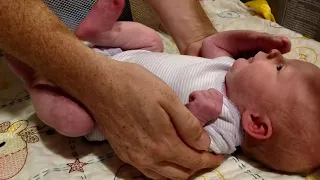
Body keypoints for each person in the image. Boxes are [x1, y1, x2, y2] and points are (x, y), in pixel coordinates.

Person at [0, 0, 294, 179]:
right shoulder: (229, 69)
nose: (276, 56)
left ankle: (33, 75)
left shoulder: (228, 131)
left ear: (255, 122)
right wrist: (238, 39)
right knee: (150, 38)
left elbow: (191, 140)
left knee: (72, 121)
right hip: (118, 55)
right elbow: (210, 44)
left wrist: (197, 114)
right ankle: (97, 32)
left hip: (86, 104)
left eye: (280, 69)